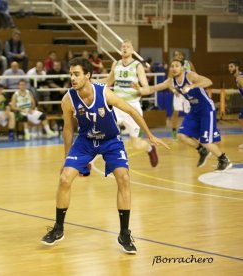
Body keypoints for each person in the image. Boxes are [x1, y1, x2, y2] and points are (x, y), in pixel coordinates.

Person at [41, 57, 168, 253]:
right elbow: (68, 129)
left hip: (110, 141)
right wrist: (66, 157)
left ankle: (124, 233)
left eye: (76, 74)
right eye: (71, 75)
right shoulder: (68, 99)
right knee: (65, 179)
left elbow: (132, 111)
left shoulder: (104, 93)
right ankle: (58, 228)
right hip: (85, 142)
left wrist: (150, 135)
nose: (72, 78)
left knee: (124, 178)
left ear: (88, 75)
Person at [139, 59, 232, 171]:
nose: (174, 68)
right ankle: (202, 150)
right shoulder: (171, 81)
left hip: (206, 109)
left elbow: (208, 82)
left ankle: (223, 160)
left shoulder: (190, 76)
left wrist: (192, 86)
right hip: (194, 110)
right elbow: (153, 88)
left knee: (206, 141)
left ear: (182, 67)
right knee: (181, 135)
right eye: (172, 66)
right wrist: (139, 90)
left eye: (177, 66)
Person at [105, 39, 159, 167]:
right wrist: (91, 81)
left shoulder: (137, 65)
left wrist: (139, 89)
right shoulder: (116, 64)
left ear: (132, 50)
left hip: (132, 107)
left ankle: (150, 149)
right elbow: (108, 82)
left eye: (127, 46)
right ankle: (87, 162)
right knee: (102, 132)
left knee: (136, 144)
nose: (124, 48)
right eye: (123, 46)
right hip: (118, 106)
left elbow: (147, 88)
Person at [171, 50, 194, 140]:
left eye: (179, 55)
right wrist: (173, 90)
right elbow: (169, 81)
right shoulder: (172, 67)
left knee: (189, 112)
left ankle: (190, 131)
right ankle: (173, 131)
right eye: (176, 55)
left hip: (188, 90)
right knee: (176, 111)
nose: (178, 56)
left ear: (182, 56)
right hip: (177, 90)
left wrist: (193, 86)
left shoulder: (189, 64)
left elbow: (195, 74)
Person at [228, 60, 243, 149]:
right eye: (229, 67)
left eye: (231, 67)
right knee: (241, 119)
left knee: (241, 119)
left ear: (236, 67)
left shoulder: (240, 78)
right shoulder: (238, 77)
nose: (229, 69)